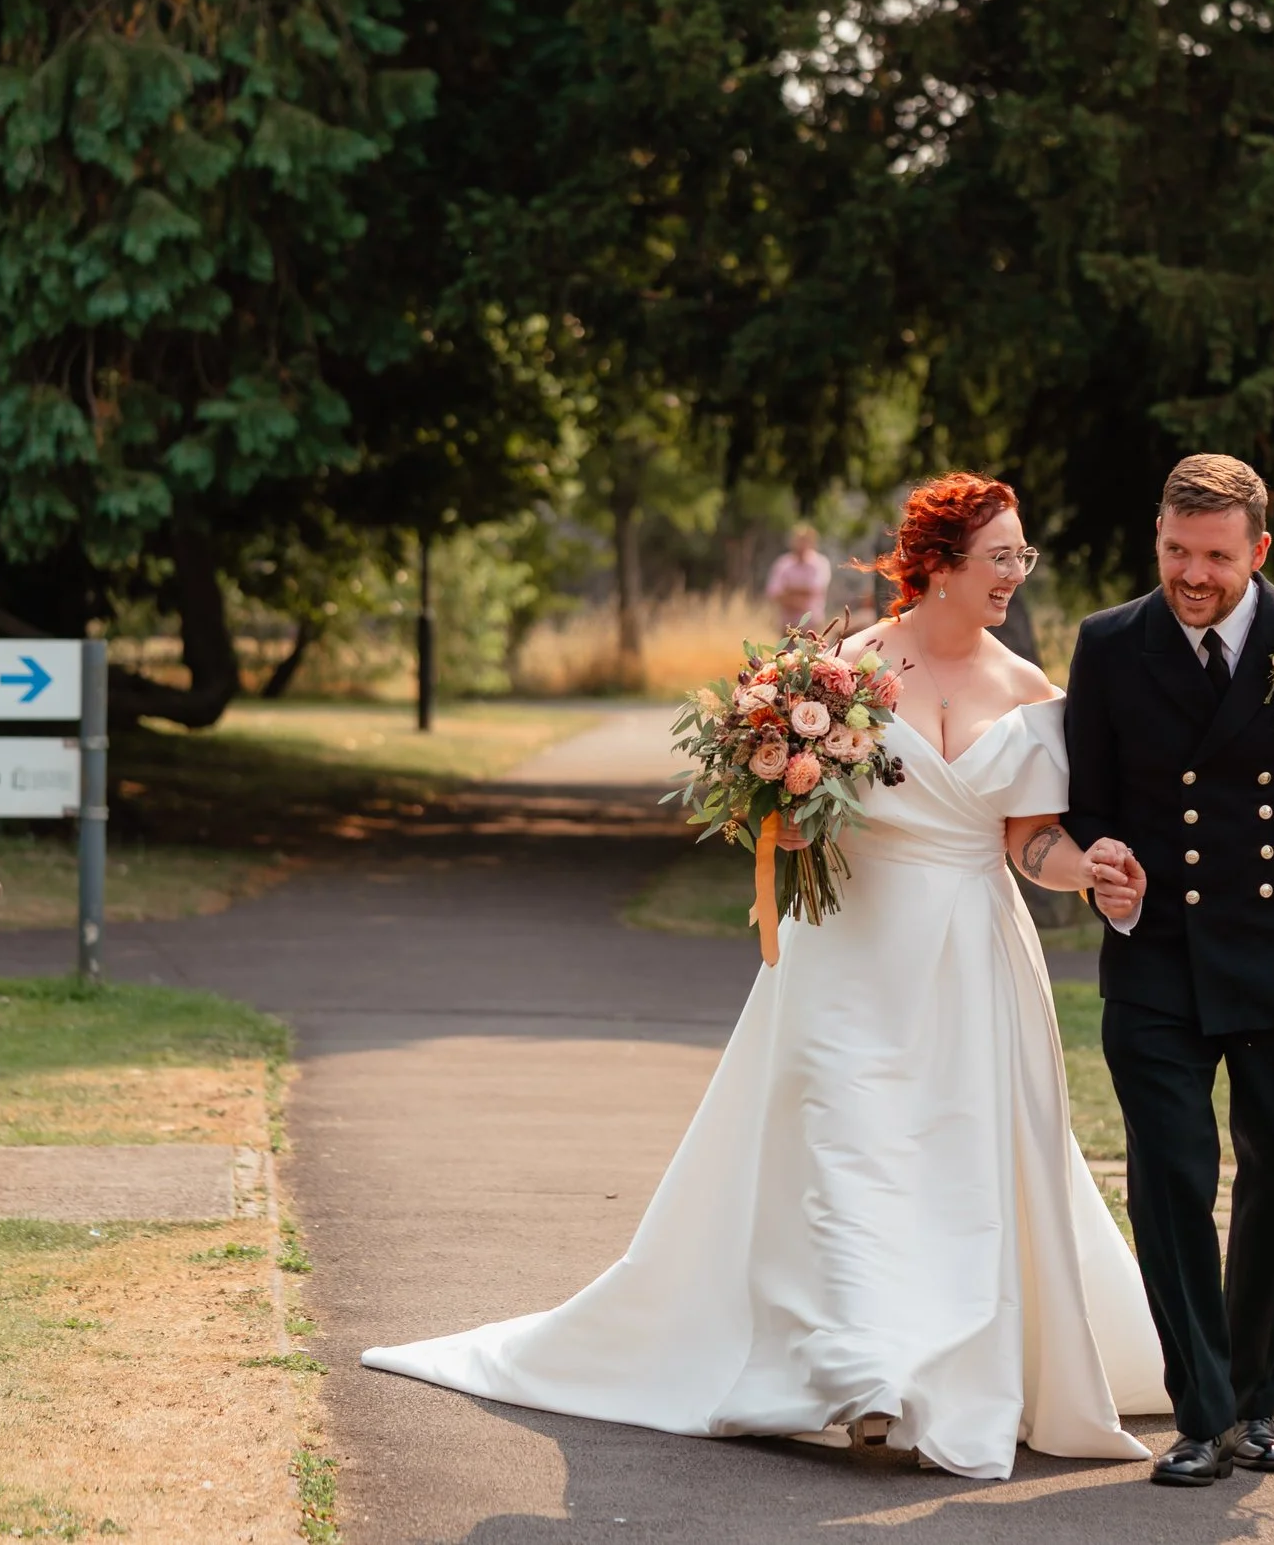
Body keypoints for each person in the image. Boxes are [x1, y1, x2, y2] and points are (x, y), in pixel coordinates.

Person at [361, 474, 1168, 1480]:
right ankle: (867, 1379)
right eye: (999, 555)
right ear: (941, 564)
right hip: (846, 951)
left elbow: (1028, 841)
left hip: (974, 959)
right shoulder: (842, 672)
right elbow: (777, 809)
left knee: (958, 1173)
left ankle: (943, 1362)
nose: (1015, 573)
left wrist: (1083, 871)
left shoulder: (1030, 690)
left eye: (1022, 556)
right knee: (845, 1153)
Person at [1063, 453, 1274, 1487]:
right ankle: (1201, 1409)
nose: (1193, 574)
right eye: (1176, 550)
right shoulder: (1110, 643)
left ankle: (1258, 1399)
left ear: (1257, 549)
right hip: (1157, 959)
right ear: (1158, 537)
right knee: (1170, 1179)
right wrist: (1098, 854)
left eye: (1215, 556)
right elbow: (1083, 798)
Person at [765, 523, 831, 632]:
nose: (801, 544)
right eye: (799, 540)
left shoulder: (820, 563)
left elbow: (815, 589)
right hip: (787, 627)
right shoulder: (783, 564)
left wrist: (789, 591)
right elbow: (774, 592)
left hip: (812, 627)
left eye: (805, 540)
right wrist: (800, 595)